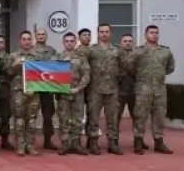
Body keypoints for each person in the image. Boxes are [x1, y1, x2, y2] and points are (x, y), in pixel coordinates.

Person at [126, 24, 175, 155]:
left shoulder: (166, 51)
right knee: (140, 115)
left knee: (159, 115)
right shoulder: (138, 51)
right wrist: (141, 78)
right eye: (151, 32)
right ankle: (138, 141)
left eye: (156, 32)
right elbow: (130, 67)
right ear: (146, 35)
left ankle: (159, 142)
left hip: (159, 88)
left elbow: (170, 68)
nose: (154, 34)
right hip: (143, 88)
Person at [85, 23, 122, 155]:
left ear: (110, 33)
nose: (104, 34)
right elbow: (85, 67)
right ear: (98, 33)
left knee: (112, 118)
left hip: (112, 90)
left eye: (107, 32)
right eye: (102, 32)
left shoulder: (117, 50)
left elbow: (123, 67)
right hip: (95, 89)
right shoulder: (92, 50)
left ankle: (113, 143)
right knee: (93, 118)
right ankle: (94, 143)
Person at [54, 32, 90, 155]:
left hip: (77, 93)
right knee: (64, 119)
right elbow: (50, 74)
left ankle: (76, 144)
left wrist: (79, 88)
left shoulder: (81, 57)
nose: (69, 43)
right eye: (67, 41)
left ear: (75, 42)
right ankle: (65, 144)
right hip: (62, 94)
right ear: (63, 43)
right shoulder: (57, 57)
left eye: (71, 41)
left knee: (77, 120)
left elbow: (86, 75)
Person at [5, 30, 41, 156]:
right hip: (18, 91)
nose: (26, 42)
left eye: (28, 39)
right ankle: (20, 145)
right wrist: (15, 65)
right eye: (24, 39)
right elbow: (7, 73)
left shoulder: (37, 56)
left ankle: (30, 145)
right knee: (19, 120)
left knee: (31, 120)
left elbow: (43, 74)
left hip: (33, 91)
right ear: (20, 41)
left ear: (32, 41)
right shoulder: (13, 56)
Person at [117, 33, 145, 149]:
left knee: (138, 117)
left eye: (130, 41)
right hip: (119, 91)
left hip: (135, 91)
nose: (128, 43)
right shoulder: (116, 55)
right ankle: (114, 141)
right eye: (125, 41)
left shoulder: (138, 55)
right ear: (121, 43)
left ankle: (139, 141)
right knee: (115, 117)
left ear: (133, 43)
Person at [33, 28, 58, 150]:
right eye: (39, 34)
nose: (41, 36)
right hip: (34, 88)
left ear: (46, 36)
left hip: (48, 88)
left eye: (43, 34)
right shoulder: (31, 51)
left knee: (48, 116)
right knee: (31, 115)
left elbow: (57, 67)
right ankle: (29, 141)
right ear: (35, 36)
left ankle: (48, 140)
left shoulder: (52, 51)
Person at [0, 34, 14, 150]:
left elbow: (10, 72)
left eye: (1, 42)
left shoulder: (9, 57)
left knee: (5, 116)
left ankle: (4, 140)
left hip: (5, 89)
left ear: (4, 44)